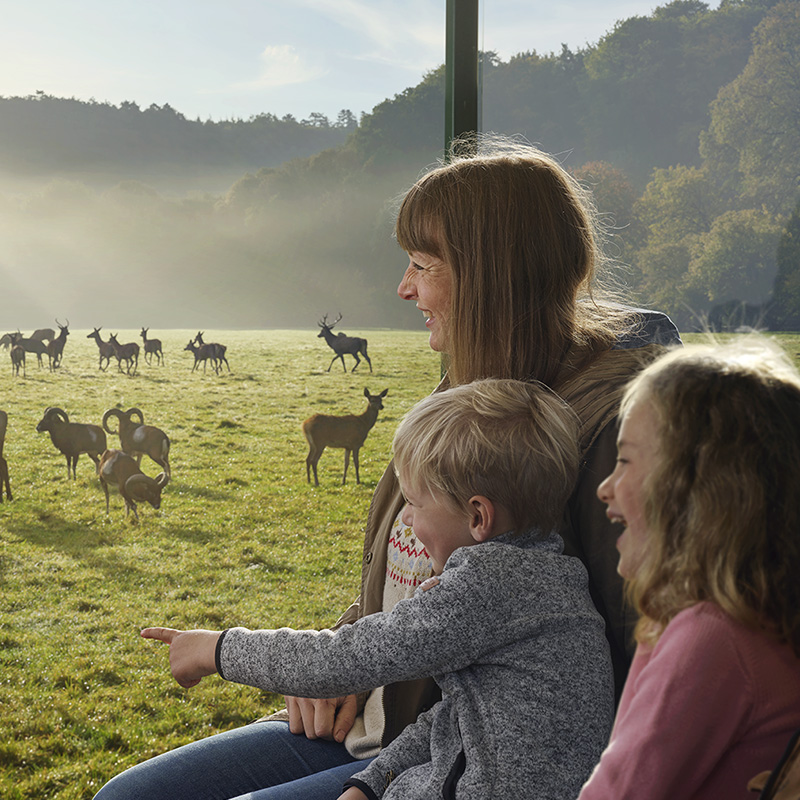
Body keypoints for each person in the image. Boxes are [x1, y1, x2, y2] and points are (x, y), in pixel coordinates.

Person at [93, 136, 679, 800]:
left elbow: (624, 662)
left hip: (450, 759)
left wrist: (270, 659)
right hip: (374, 719)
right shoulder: (465, 390)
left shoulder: (600, 434)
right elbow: (404, 579)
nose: (403, 289)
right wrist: (342, 661)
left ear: (491, 277)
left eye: (423, 266)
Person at [144, 378, 615, 800]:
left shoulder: (490, 587)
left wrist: (215, 648)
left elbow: (339, 661)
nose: (405, 518)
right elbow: (456, 719)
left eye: (413, 502)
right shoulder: (545, 576)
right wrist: (372, 783)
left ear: (477, 517)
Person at [580, 340, 800, 799]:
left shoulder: (711, 636)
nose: (605, 487)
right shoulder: (763, 620)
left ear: (695, 490)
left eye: (624, 461)